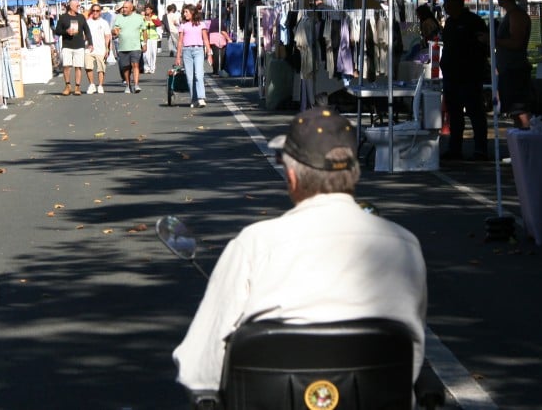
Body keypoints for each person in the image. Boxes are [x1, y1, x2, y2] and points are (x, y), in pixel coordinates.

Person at [173, 107, 427, 395]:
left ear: (292, 177)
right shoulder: (403, 245)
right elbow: (413, 356)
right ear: (354, 173)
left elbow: (199, 369)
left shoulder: (255, 244)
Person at [439, 0, 490, 161]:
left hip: (469, 76)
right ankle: (455, 148)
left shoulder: (474, 22)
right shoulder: (450, 23)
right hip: (451, 76)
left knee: (475, 112)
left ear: (456, 3)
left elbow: (483, 48)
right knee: (454, 114)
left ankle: (481, 149)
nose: (445, 6)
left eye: (447, 2)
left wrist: (474, 67)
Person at [494, 0, 533, 128]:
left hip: (515, 70)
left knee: (520, 111)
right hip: (508, 70)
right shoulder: (510, 14)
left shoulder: (516, 15)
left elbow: (516, 42)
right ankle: (521, 143)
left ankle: (527, 142)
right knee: (514, 111)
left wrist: (494, 40)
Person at [55, 0, 94, 96]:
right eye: (77, 6)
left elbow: (87, 31)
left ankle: (77, 87)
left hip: (79, 45)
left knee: (78, 66)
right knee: (66, 66)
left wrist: (90, 43)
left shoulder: (81, 17)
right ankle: (68, 86)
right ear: (71, 6)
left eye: (79, 6)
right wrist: (66, 31)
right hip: (67, 45)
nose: (79, 7)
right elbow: (57, 31)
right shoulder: (63, 17)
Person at [175, 4, 211, 108]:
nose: (184, 14)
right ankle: (194, 99)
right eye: (184, 12)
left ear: (192, 12)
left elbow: (205, 39)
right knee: (189, 77)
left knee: (198, 75)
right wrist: (178, 56)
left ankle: (201, 98)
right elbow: (180, 41)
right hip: (186, 51)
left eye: (186, 12)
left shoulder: (201, 24)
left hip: (198, 50)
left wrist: (209, 53)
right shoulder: (183, 25)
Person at [112, 0, 147, 93]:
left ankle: (136, 85)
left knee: (135, 65)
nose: (124, 9)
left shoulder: (139, 17)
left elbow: (144, 30)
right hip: (123, 47)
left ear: (131, 8)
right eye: (123, 7)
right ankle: (128, 85)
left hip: (135, 46)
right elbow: (114, 30)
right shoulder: (119, 18)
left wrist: (144, 43)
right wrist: (114, 32)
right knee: (126, 67)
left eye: (126, 7)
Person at [83, 4, 112, 94]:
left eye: (97, 11)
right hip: (88, 48)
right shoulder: (87, 22)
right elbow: (83, 35)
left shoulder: (104, 23)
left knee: (101, 68)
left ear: (100, 12)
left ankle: (100, 85)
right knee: (88, 67)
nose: (95, 12)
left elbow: (107, 36)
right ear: (91, 11)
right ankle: (91, 85)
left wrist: (107, 49)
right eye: (94, 10)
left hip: (101, 49)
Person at [142, 4, 162, 74]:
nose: (147, 11)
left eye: (148, 9)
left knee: (153, 53)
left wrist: (151, 20)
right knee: (145, 54)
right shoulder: (142, 17)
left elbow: (159, 24)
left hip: (153, 38)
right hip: (145, 38)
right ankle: (146, 67)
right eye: (146, 9)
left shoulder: (155, 17)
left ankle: (152, 68)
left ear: (151, 10)